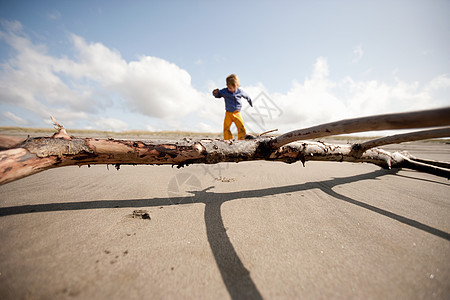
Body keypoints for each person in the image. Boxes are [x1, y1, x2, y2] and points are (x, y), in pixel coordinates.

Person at [212, 74, 253, 140]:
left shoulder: (240, 91)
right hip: (228, 113)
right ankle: (228, 139)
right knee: (226, 127)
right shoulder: (225, 91)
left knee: (241, 126)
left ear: (237, 85)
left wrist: (250, 102)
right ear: (227, 86)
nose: (232, 90)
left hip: (237, 112)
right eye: (230, 88)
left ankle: (242, 139)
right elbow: (218, 95)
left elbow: (247, 96)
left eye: (234, 88)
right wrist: (215, 93)